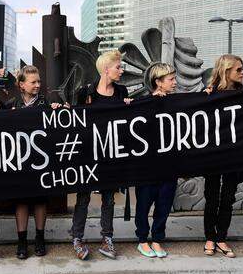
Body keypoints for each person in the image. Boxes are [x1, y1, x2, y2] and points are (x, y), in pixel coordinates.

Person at [71, 50, 131, 260]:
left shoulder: (122, 92)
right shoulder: (86, 92)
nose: (122, 71)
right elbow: (74, 120)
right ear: (106, 69)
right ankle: (77, 237)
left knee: (109, 198)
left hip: (111, 154)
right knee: (83, 197)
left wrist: (130, 109)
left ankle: (107, 238)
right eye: (118, 67)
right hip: (88, 154)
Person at [10, 65, 61, 259]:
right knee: (21, 201)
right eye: (33, 82)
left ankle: (40, 239)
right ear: (22, 85)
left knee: (40, 201)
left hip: (41, 161)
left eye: (39, 81)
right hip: (20, 161)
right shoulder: (12, 104)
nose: (38, 85)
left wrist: (58, 111)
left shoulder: (45, 103)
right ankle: (22, 241)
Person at [202, 54, 243, 258]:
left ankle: (221, 238)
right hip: (213, 155)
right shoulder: (209, 94)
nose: (242, 72)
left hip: (235, 155)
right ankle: (209, 237)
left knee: (228, 198)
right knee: (211, 197)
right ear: (226, 70)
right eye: (238, 69)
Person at [135, 63, 177, 258]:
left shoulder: (177, 103)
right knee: (143, 205)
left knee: (164, 204)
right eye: (171, 79)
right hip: (146, 167)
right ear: (158, 82)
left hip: (169, 165)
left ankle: (158, 239)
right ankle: (143, 240)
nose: (175, 83)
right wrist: (153, 104)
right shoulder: (143, 104)